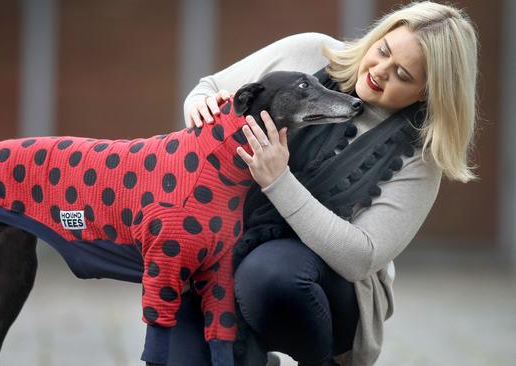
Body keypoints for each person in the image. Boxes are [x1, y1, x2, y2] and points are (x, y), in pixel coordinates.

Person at [169, 2, 479, 366]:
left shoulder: (421, 155)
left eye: (402, 74)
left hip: (327, 288)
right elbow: (211, 87)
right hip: (223, 251)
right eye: (382, 51)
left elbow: (361, 256)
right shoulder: (310, 52)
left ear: (428, 92)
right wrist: (201, 104)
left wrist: (279, 182)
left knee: (269, 275)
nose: (378, 71)